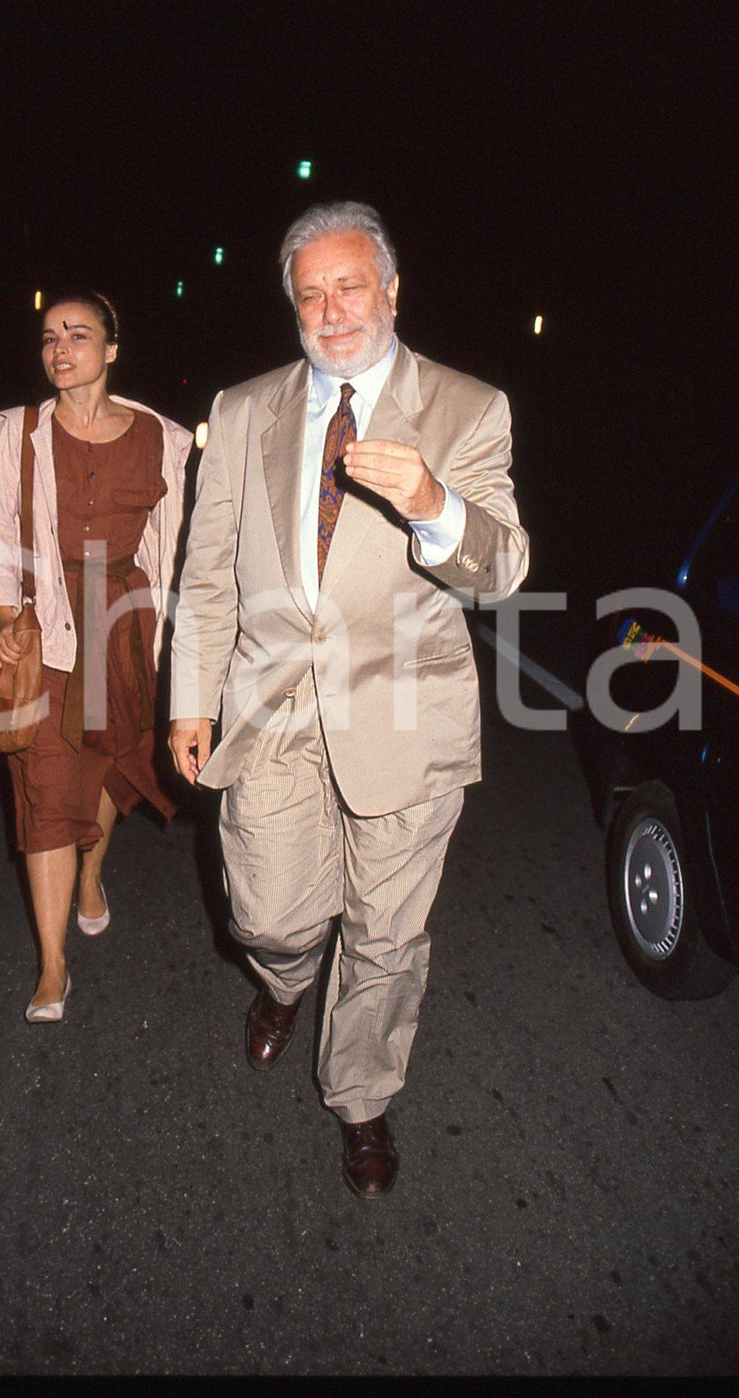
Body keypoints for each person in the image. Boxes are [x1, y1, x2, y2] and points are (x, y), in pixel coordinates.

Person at [168, 201, 529, 1198]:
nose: (332, 310)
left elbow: (499, 571)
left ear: (391, 290)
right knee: (270, 913)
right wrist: (189, 700)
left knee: (386, 934)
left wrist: (432, 505)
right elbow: (205, 575)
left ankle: (362, 1095)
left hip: (408, 716)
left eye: (350, 285)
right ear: (291, 303)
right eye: (310, 292)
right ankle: (282, 982)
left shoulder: (467, 408)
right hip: (271, 706)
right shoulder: (246, 410)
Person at [0, 291, 192, 1022]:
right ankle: (53, 966)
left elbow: (179, 541)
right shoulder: (20, 433)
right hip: (44, 626)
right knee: (44, 782)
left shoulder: (161, 437)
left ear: (112, 347)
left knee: (109, 759)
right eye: (49, 336)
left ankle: (93, 871)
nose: (60, 348)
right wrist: (4, 617)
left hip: (125, 622)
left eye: (79, 333)